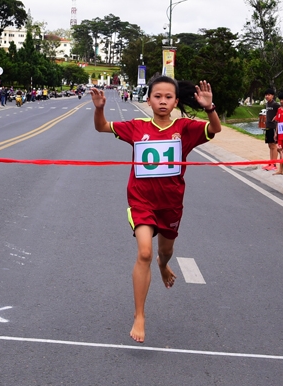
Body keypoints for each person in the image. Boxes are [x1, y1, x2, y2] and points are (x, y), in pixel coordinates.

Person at [90, 76, 222, 343]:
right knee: (144, 252)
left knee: (165, 251)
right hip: (141, 200)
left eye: (168, 97)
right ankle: (140, 315)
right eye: (157, 96)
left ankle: (164, 264)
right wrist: (99, 107)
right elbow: (102, 127)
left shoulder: (185, 128)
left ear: (175, 102)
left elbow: (215, 129)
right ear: (148, 99)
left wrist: (209, 108)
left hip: (171, 202)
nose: (163, 101)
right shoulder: (136, 126)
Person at [262, 89, 280, 171]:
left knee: (273, 145)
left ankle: (274, 164)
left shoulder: (275, 104)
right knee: (270, 146)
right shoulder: (267, 104)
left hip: (273, 127)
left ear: (272, 96)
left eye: (269, 95)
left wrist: (277, 116)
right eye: (266, 95)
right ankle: (271, 162)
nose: (267, 96)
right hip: (268, 126)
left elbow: (281, 110)